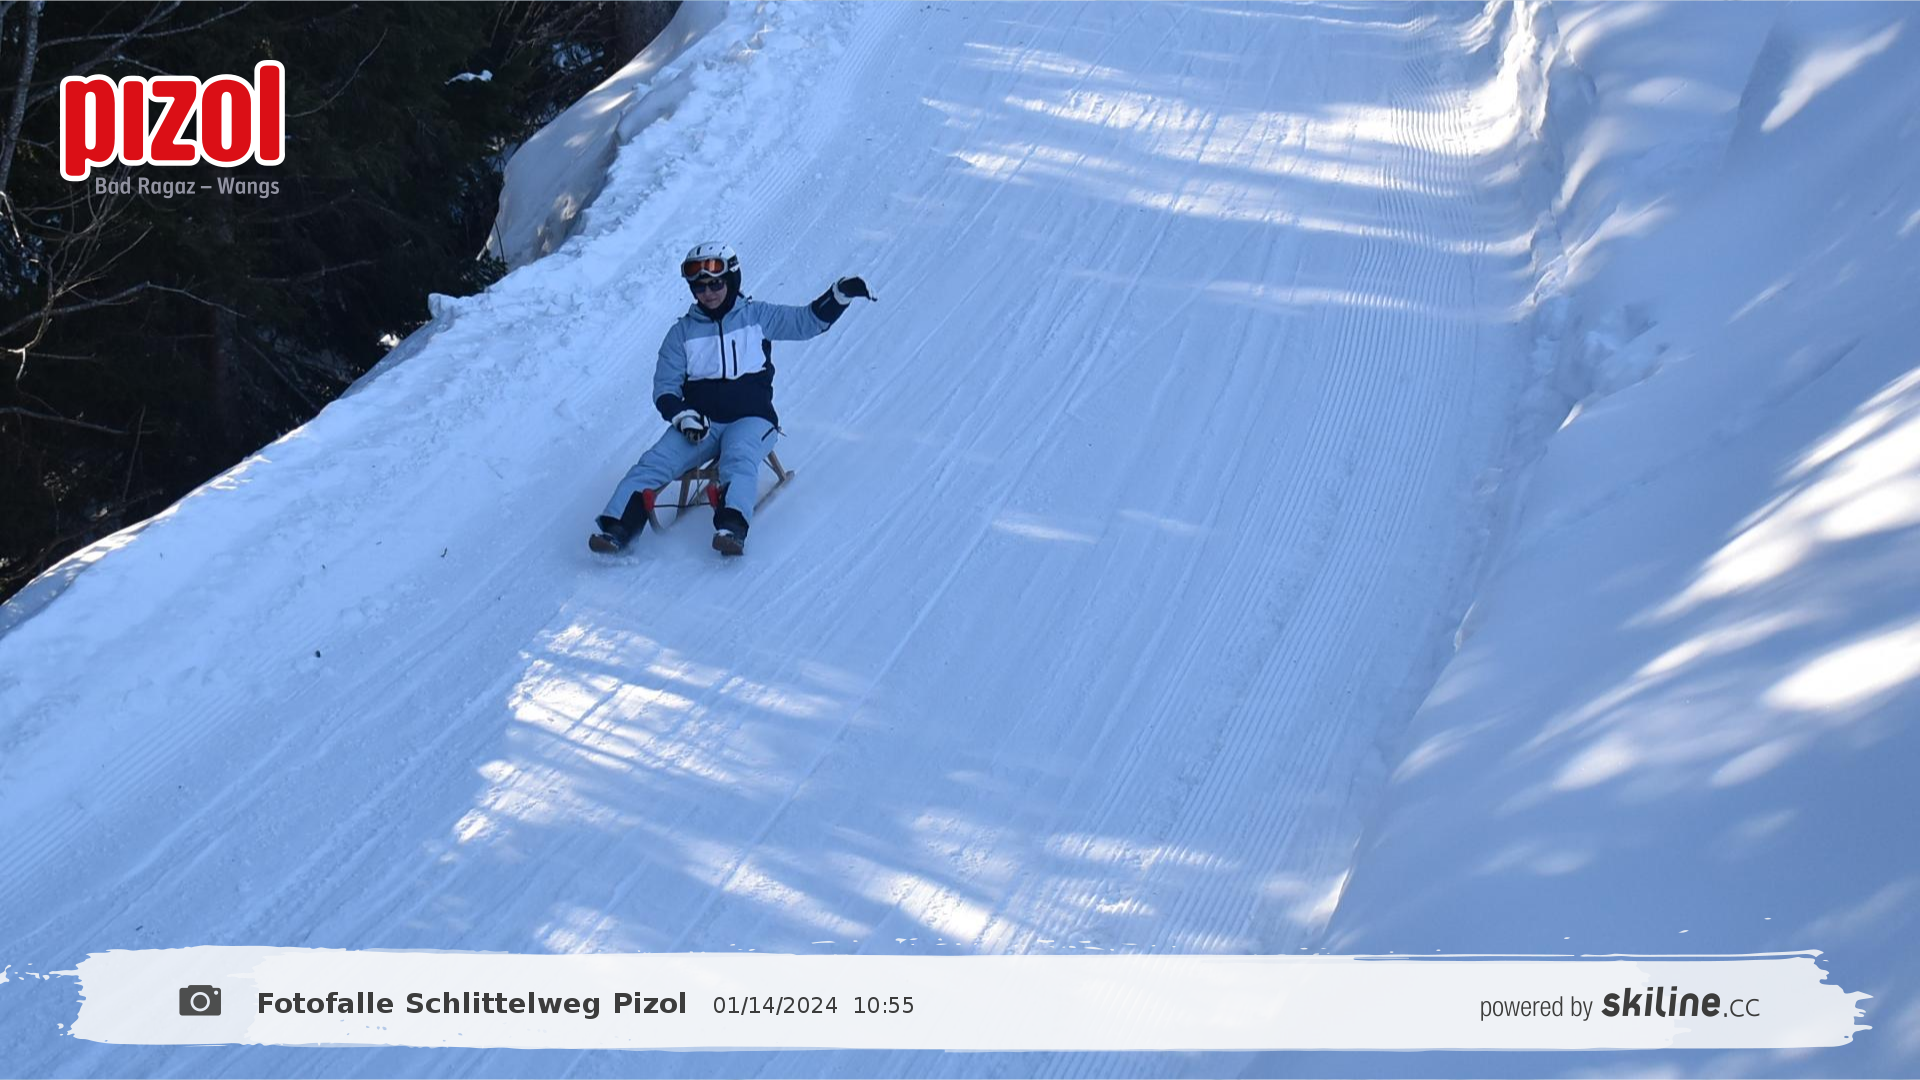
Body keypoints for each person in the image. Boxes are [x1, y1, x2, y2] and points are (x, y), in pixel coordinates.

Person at [591, 242, 873, 556]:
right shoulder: (681, 333)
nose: (708, 293)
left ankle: (732, 527)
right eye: (700, 287)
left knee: (738, 456)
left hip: (752, 418)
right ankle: (617, 528)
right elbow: (665, 387)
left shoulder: (757, 316)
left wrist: (840, 294)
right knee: (655, 462)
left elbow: (805, 322)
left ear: (731, 281)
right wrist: (682, 415)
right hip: (701, 424)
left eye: (715, 284)